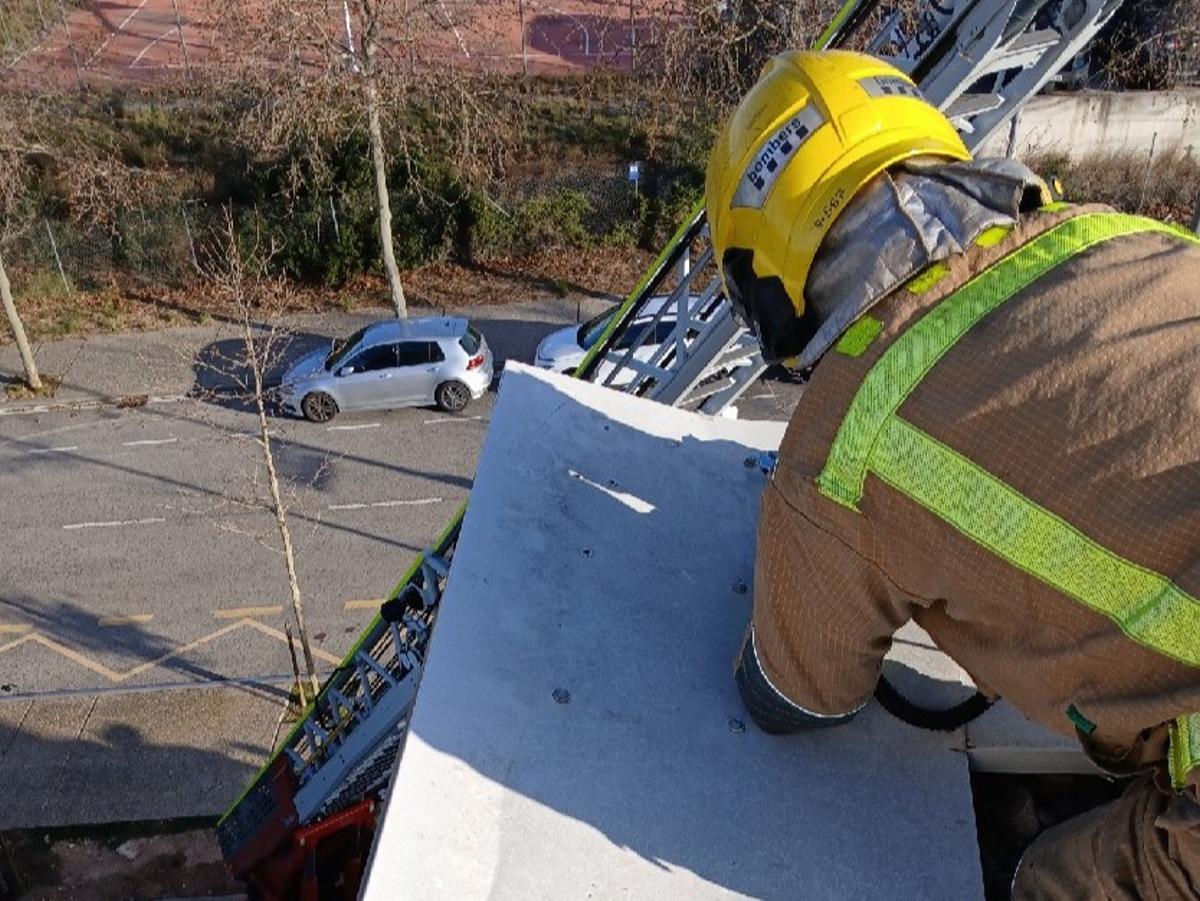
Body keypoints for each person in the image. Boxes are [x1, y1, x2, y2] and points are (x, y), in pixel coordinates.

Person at [706, 48, 1200, 899]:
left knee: (1048, 881)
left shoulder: (844, 443)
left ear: (769, 285)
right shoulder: (1110, 232)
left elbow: (796, 696)